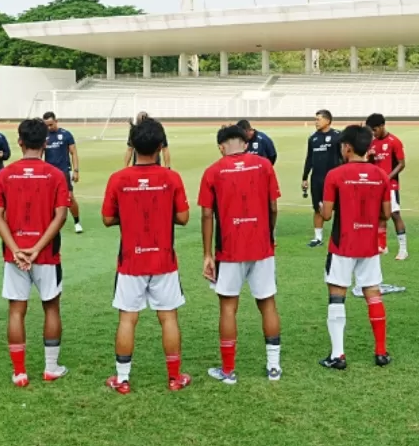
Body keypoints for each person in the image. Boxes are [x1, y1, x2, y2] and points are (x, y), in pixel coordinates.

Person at [102, 117, 191, 393]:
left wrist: (128, 217)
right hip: (163, 260)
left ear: (132, 145)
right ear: (161, 145)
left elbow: (107, 219)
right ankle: (174, 378)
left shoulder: (118, 178)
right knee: (169, 318)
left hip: (130, 261)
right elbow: (183, 217)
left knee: (128, 318)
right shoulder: (171, 177)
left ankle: (123, 379)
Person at [200, 124, 283, 383]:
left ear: (221, 146)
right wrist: (269, 235)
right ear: (245, 143)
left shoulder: (213, 171)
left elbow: (206, 214)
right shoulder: (264, 166)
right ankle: (273, 368)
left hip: (229, 250)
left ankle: (228, 371)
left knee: (228, 308)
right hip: (261, 246)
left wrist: (207, 254)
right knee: (267, 304)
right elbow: (273, 207)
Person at [0, 118, 70, 387]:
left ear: (19, 141)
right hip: (46, 254)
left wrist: (16, 249)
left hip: (14, 256)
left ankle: (19, 372)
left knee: (16, 310)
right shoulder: (56, 174)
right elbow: (61, 216)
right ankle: (50, 368)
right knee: (51, 308)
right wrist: (37, 248)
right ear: (45, 142)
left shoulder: (5, 174)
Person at [319, 125, 392, 370]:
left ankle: (338, 355)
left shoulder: (336, 174)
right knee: (373, 294)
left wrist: (322, 206)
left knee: (337, 295)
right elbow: (387, 213)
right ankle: (381, 351)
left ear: (347, 147)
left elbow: (327, 215)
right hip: (369, 244)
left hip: (343, 244)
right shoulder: (381, 175)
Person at [365, 113, 408, 260]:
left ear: (382, 126)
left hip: (391, 185)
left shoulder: (394, 141)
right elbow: (370, 164)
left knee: (395, 214)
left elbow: (402, 164)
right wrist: (369, 157)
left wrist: (387, 178)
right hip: (375, 185)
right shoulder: (372, 143)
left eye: (375, 130)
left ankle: (403, 249)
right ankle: (382, 246)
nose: (373, 133)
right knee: (379, 215)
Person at [302, 109, 343, 248]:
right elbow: (309, 159)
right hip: (317, 179)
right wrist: (304, 177)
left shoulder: (338, 136)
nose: (316, 122)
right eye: (315, 119)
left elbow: (344, 157)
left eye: (318, 119)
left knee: (339, 208)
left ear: (328, 120)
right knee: (317, 208)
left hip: (335, 179)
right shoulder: (312, 138)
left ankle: (340, 236)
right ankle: (318, 237)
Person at [43, 112, 84, 234]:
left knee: (69, 197)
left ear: (56, 121)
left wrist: (76, 170)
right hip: (49, 173)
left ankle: (77, 222)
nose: (49, 127)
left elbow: (74, 153)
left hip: (64, 171)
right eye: (47, 125)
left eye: (51, 124)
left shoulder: (66, 134)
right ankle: (50, 223)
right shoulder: (43, 136)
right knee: (48, 198)